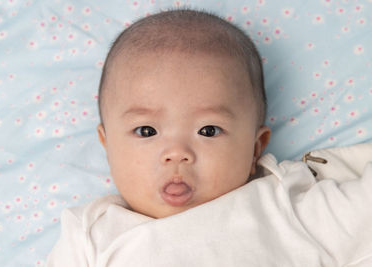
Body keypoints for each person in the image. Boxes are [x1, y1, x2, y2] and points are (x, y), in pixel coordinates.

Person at [46, 9, 372, 267]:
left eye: (208, 131)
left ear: (255, 148)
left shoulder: (284, 208)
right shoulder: (90, 235)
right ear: (107, 145)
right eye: (146, 131)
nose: (177, 153)